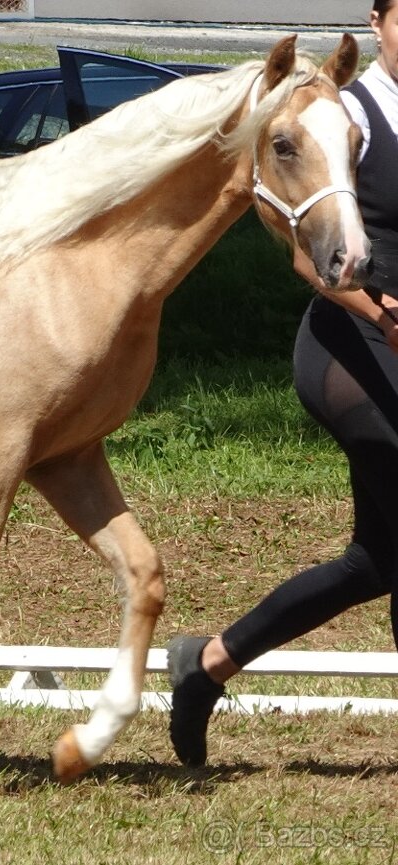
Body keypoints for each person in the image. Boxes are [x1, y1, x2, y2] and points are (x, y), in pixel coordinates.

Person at [167, 0, 398, 767]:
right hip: (351, 345)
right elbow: (307, 251)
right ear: (376, 21)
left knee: (376, 560)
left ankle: (206, 665)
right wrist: (381, 311)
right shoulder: (345, 112)